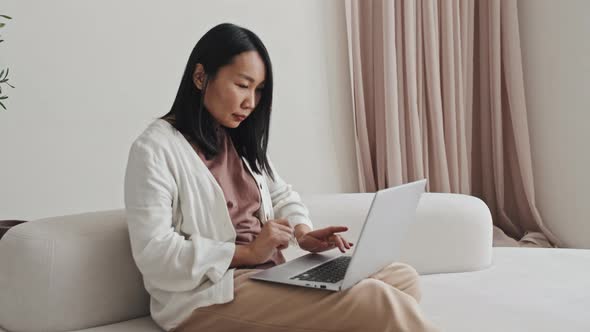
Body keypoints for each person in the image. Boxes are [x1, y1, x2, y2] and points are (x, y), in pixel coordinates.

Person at [124, 23, 439, 332]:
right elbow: (155, 253)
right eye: (242, 85)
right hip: (208, 295)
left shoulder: (236, 138)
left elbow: (282, 195)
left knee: (400, 277)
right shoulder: (154, 149)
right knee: (376, 298)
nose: (251, 102)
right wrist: (248, 253)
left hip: (267, 275)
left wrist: (302, 233)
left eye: (258, 90)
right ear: (200, 76)